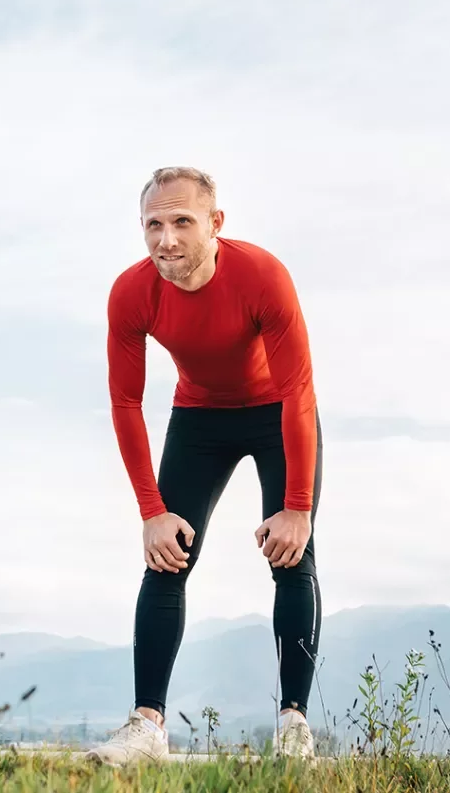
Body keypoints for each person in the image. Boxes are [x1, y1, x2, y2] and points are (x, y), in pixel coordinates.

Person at [85, 166, 324, 765]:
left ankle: (293, 728)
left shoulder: (262, 276)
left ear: (215, 223)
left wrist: (295, 508)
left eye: (182, 222)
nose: (167, 240)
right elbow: (125, 402)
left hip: (278, 413)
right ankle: (147, 728)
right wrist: (151, 512)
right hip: (200, 419)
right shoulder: (132, 292)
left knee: (293, 557)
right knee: (165, 558)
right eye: (154, 225)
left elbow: (299, 390)